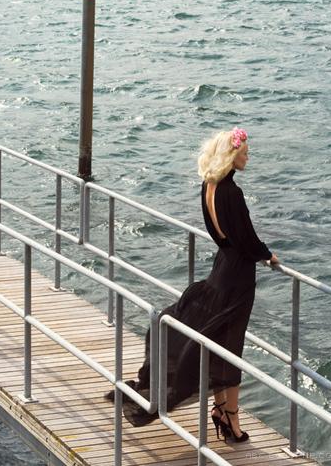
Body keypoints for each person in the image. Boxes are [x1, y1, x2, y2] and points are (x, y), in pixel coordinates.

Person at [111, 127, 279, 441]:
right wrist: (267, 254)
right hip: (238, 277)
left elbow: (223, 236)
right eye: (244, 152)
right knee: (231, 348)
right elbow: (246, 238)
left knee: (218, 343)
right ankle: (232, 420)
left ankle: (221, 410)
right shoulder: (232, 192)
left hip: (221, 268)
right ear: (232, 155)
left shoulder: (208, 186)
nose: (248, 157)